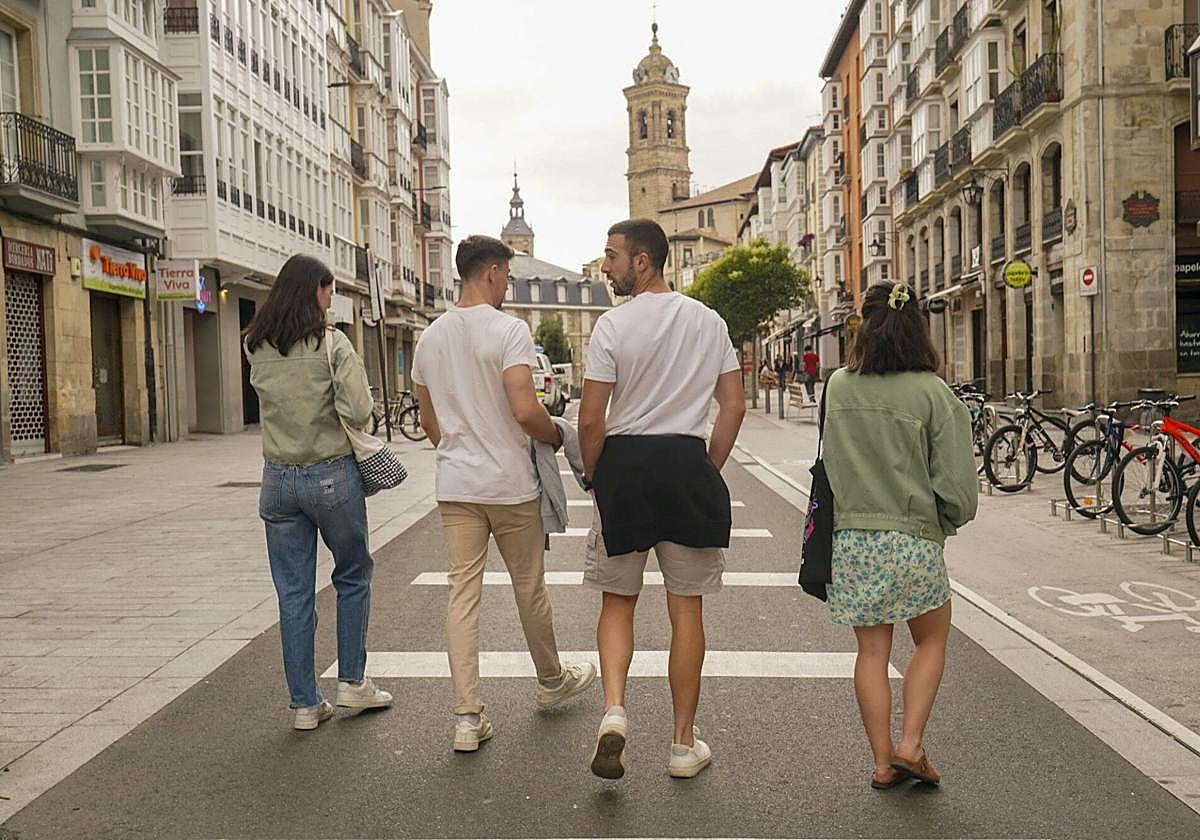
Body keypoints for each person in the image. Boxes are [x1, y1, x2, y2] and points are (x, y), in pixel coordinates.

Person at [411, 234, 597, 753]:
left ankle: (467, 717)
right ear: (492, 271)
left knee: (462, 595)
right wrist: (556, 434)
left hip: (457, 487)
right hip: (510, 485)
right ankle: (551, 680)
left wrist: (458, 451)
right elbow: (524, 409)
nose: (507, 285)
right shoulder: (508, 330)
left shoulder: (429, 338)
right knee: (529, 587)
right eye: (507, 276)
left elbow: (428, 420)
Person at [579, 219, 746, 780]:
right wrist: (706, 468)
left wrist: (596, 475)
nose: (605, 267)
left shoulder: (612, 326)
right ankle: (681, 744)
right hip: (685, 462)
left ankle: (614, 710)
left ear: (642, 261)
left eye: (611, 256)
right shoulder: (708, 321)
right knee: (686, 608)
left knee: (617, 601)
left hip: (625, 467)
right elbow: (733, 405)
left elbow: (591, 418)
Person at [820, 280, 978, 789]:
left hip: (853, 540)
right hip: (913, 539)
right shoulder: (933, 393)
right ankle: (911, 743)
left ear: (863, 327)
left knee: (871, 654)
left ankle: (882, 763)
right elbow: (958, 485)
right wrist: (945, 520)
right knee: (931, 639)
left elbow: (828, 460)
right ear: (917, 328)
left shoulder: (838, 387)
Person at [243, 254, 393, 731]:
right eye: (328, 291)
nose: (331, 300)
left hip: (277, 480)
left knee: (293, 593)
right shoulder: (333, 343)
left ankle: (305, 704)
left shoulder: (255, 344)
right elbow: (360, 410)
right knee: (352, 575)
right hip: (330, 475)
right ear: (315, 291)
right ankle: (352, 682)